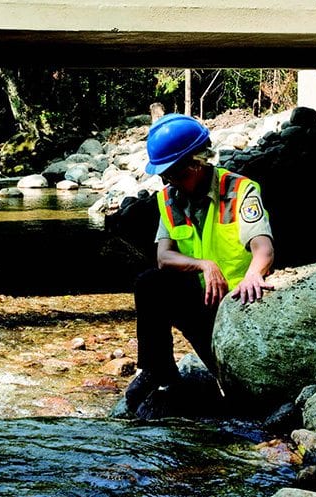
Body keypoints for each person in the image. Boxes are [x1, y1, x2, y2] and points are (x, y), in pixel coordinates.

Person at [125, 113, 275, 413]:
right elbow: (164, 257)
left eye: (175, 174)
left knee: (241, 402)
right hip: (200, 304)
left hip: (237, 306)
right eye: (165, 176)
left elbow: (264, 248)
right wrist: (203, 264)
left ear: (198, 162)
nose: (170, 182)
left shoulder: (240, 191)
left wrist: (253, 276)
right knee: (149, 283)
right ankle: (159, 371)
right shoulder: (169, 199)